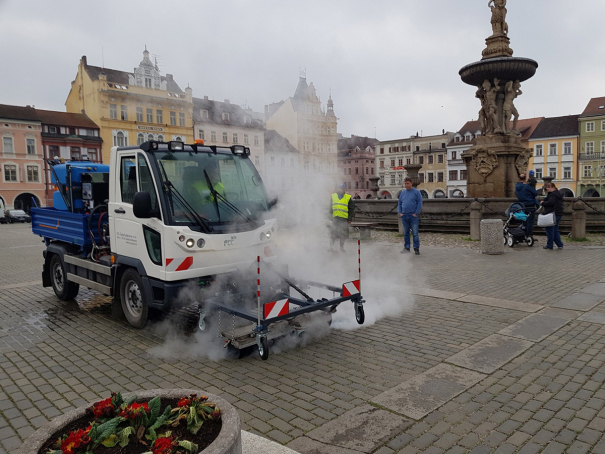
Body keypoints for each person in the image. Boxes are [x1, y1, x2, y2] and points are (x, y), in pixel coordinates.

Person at [398, 177, 423, 255]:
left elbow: (419, 203)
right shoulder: (402, 193)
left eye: (407, 183)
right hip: (404, 215)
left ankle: (416, 248)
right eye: (405, 183)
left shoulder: (416, 192)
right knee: (406, 233)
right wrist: (400, 212)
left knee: (415, 233)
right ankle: (407, 247)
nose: (406, 185)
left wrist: (416, 213)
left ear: (411, 183)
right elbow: (399, 203)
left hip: (413, 216)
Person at [329, 183, 353, 252]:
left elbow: (351, 208)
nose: (340, 189)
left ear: (344, 189)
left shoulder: (347, 197)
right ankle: (331, 247)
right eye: (339, 188)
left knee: (343, 234)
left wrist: (349, 218)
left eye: (342, 188)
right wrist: (330, 216)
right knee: (333, 233)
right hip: (335, 218)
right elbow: (330, 207)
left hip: (343, 219)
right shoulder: (333, 196)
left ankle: (341, 247)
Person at [515, 173, 540, 237]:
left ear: (519, 178)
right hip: (530, 205)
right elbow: (535, 193)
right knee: (530, 221)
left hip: (521, 205)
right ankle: (529, 235)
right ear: (525, 178)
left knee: (524, 220)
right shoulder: (527, 186)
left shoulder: (517, 186)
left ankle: (522, 233)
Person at [540, 182, 564, 250]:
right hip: (558, 213)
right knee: (555, 229)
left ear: (553, 187)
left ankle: (549, 245)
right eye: (547, 187)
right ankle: (559, 244)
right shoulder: (557, 193)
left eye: (549, 187)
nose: (547, 188)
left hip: (552, 214)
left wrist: (543, 203)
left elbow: (551, 203)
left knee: (550, 229)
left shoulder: (553, 194)